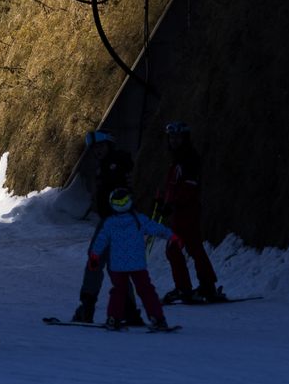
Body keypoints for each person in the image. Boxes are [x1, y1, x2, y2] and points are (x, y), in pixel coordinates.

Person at [73, 130, 143, 324]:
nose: (97, 151)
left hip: (113, 222)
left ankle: (87, 308)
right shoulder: (108, 165)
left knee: (95, 261)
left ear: (109, 146)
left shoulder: (114, 164)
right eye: (94, 148)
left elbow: (122, 193)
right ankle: (128, 310)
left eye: (101, 147)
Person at [89, 188, 179, 330]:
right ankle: (157, 318)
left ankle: (114, 318)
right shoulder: (138, 219)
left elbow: (101, 240)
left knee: (119, 291)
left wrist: (94, 256)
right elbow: (156, 228)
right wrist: (172, 236)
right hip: (136, 264)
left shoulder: (110, 222)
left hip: (118, 266)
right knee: (146, 290)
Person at [159, 121, 223, 304]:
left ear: (185, 138)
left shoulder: (188, 159)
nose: (174, 141)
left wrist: (172, 204)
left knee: (174, 249)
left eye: (178, 137)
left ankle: (184, 288)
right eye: (171, 137)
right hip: (182, 211)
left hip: (186, 211)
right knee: (194, 247)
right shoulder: (178, 159)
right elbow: (173, 185)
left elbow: (189, 187)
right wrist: (163, 200)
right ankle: (207, 285)